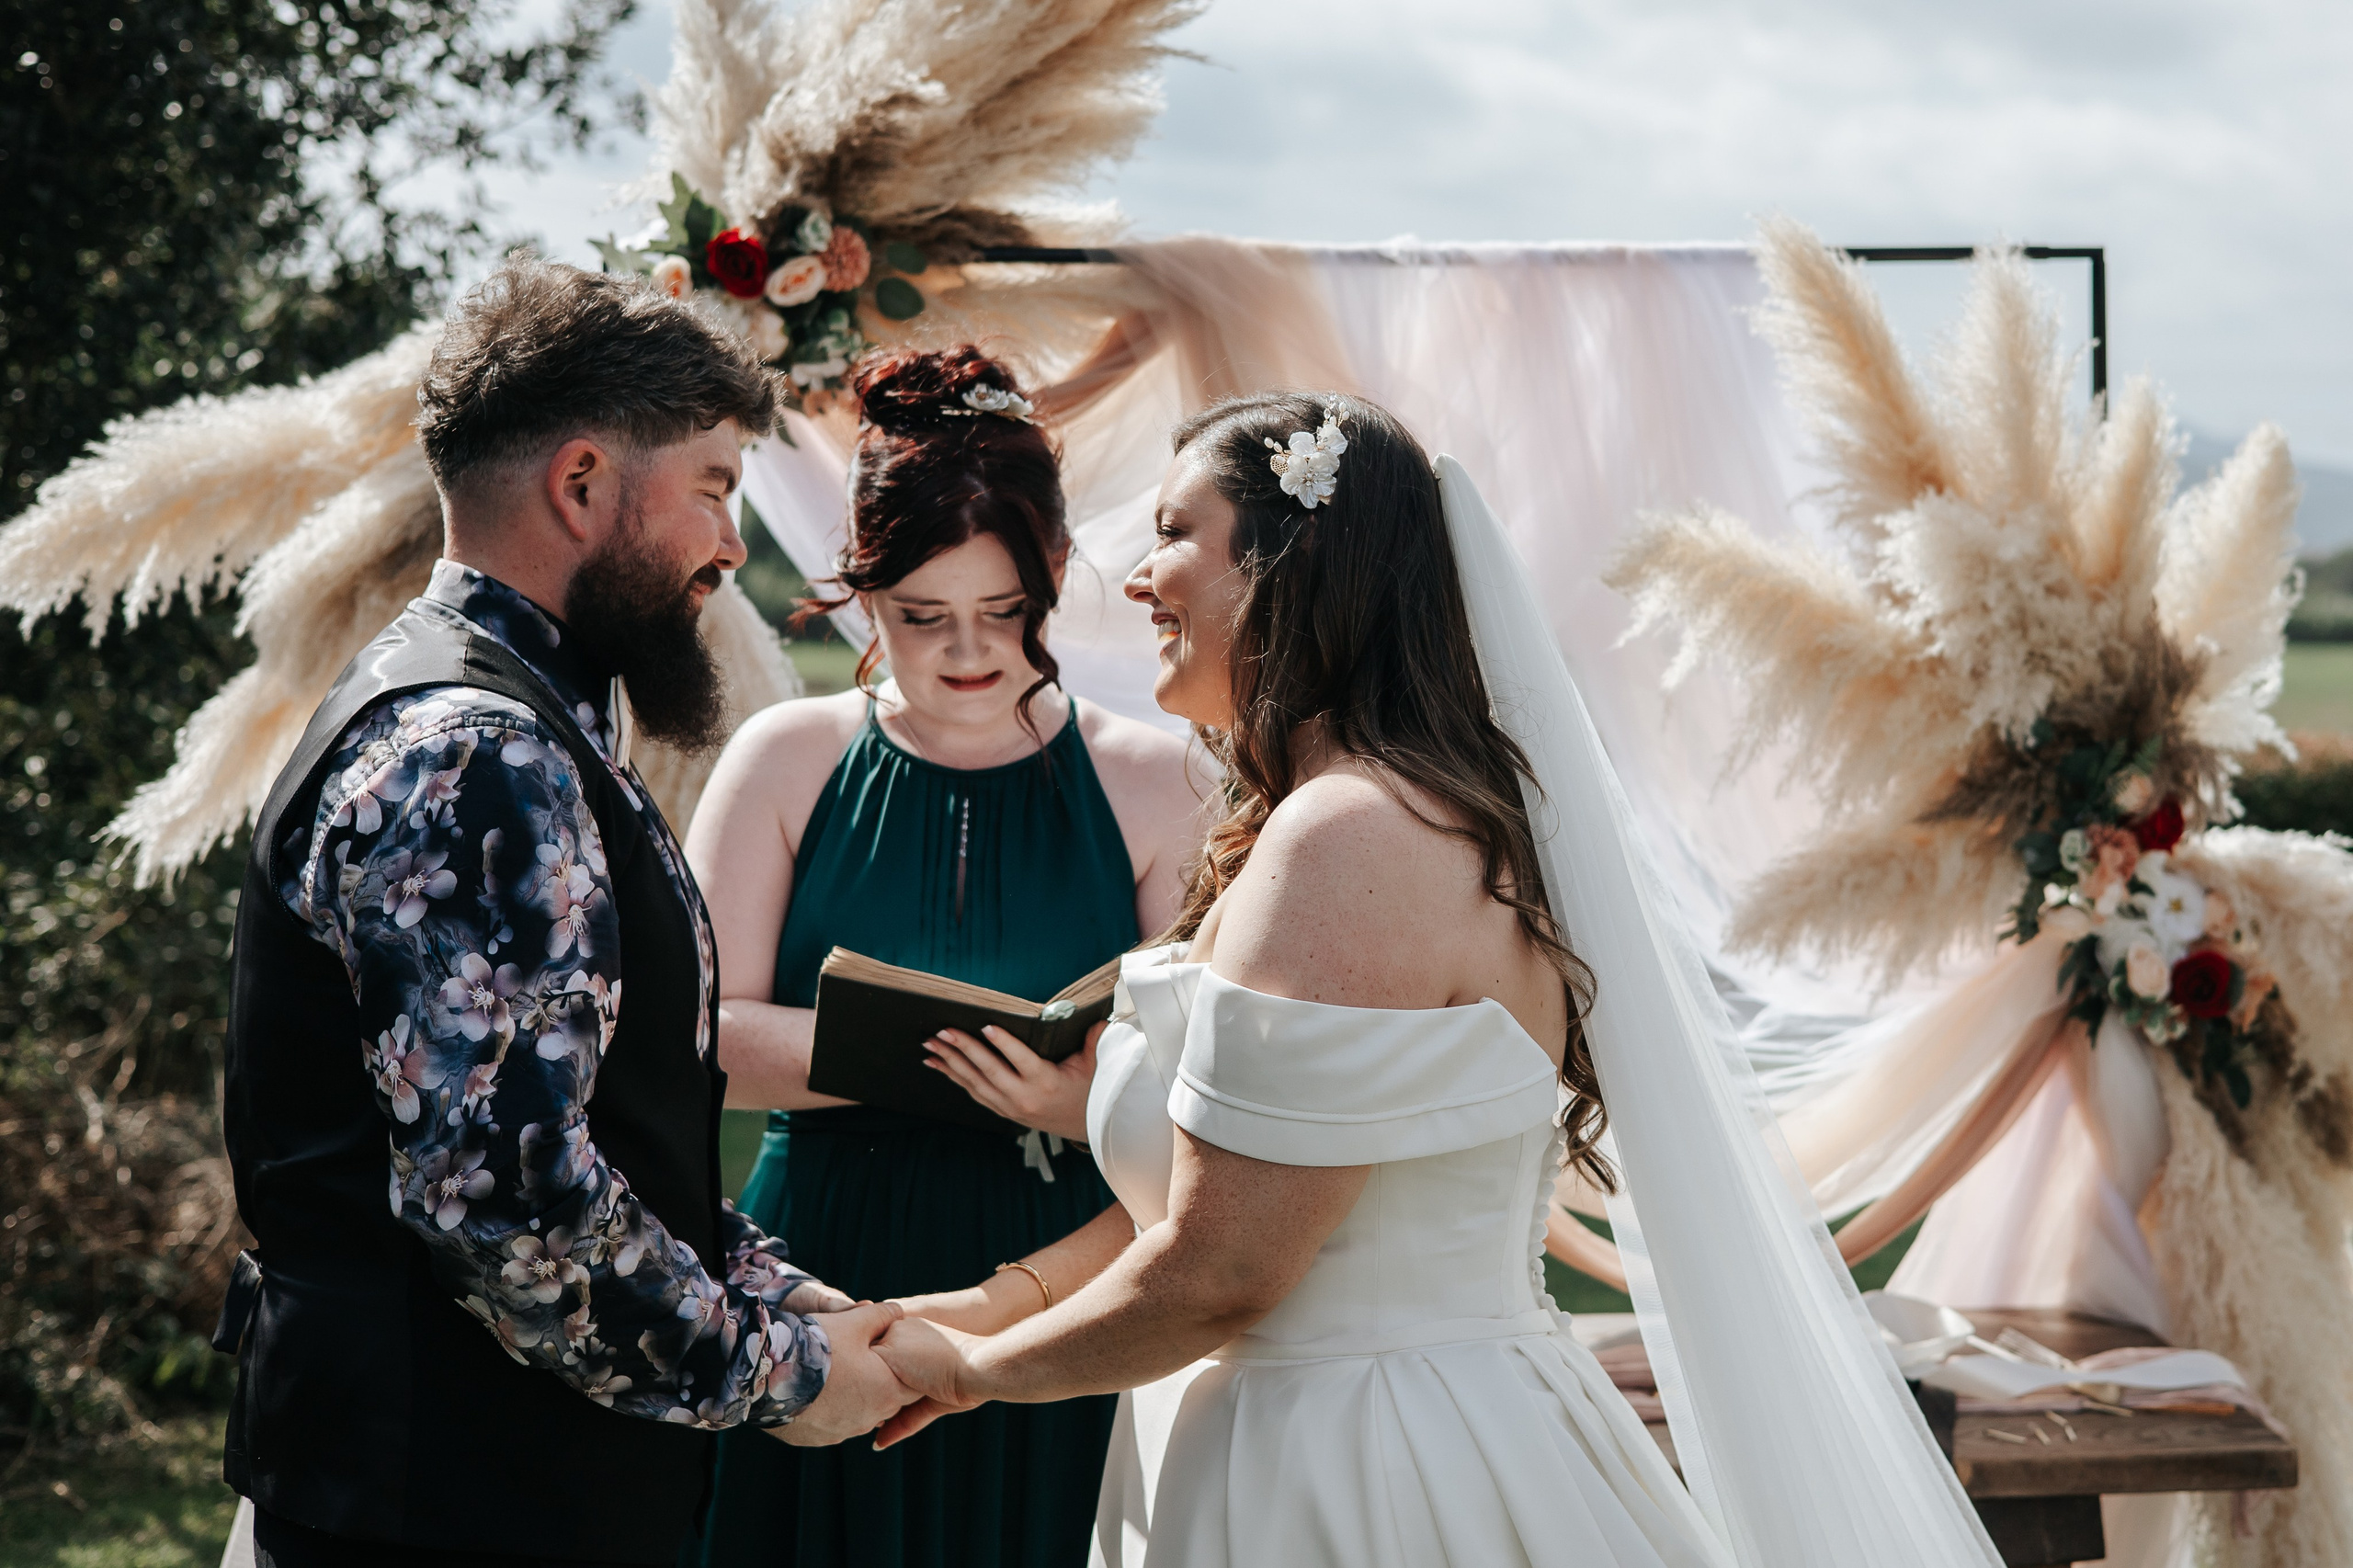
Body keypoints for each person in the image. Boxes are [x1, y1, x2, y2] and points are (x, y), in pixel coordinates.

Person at [867, 392, 2010, 1568]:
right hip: (1321, 1427)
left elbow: (1224, 1267)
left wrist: (971, 1375)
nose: (1138, 576)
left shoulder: (1350, 840)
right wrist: (975, 1309)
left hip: (1370, 1471)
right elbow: (1208, 1199)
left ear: (1286, 564)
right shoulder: (1359, 821)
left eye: (1173, 530)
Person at [213, 256, 916, 1568]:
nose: (732, 542)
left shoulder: (500, 718)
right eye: (713, 485)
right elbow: (512, 1206)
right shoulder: (481, 754)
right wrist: (786, 1374)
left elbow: (595, 1124)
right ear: (584, 482)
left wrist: (775, 1288)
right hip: (452, 1507)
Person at [682, 347, 1202, 1567]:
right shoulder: (784, 757)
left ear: (1058, 576)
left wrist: (1083, 1108)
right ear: (863, 592)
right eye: (923, 618)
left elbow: (1204, 1088)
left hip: (1061, 1281)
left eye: (1005, 614)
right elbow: (698, 1034)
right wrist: (940, 1058)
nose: (968, 653)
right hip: (821, 1268)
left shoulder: (1159, 781)